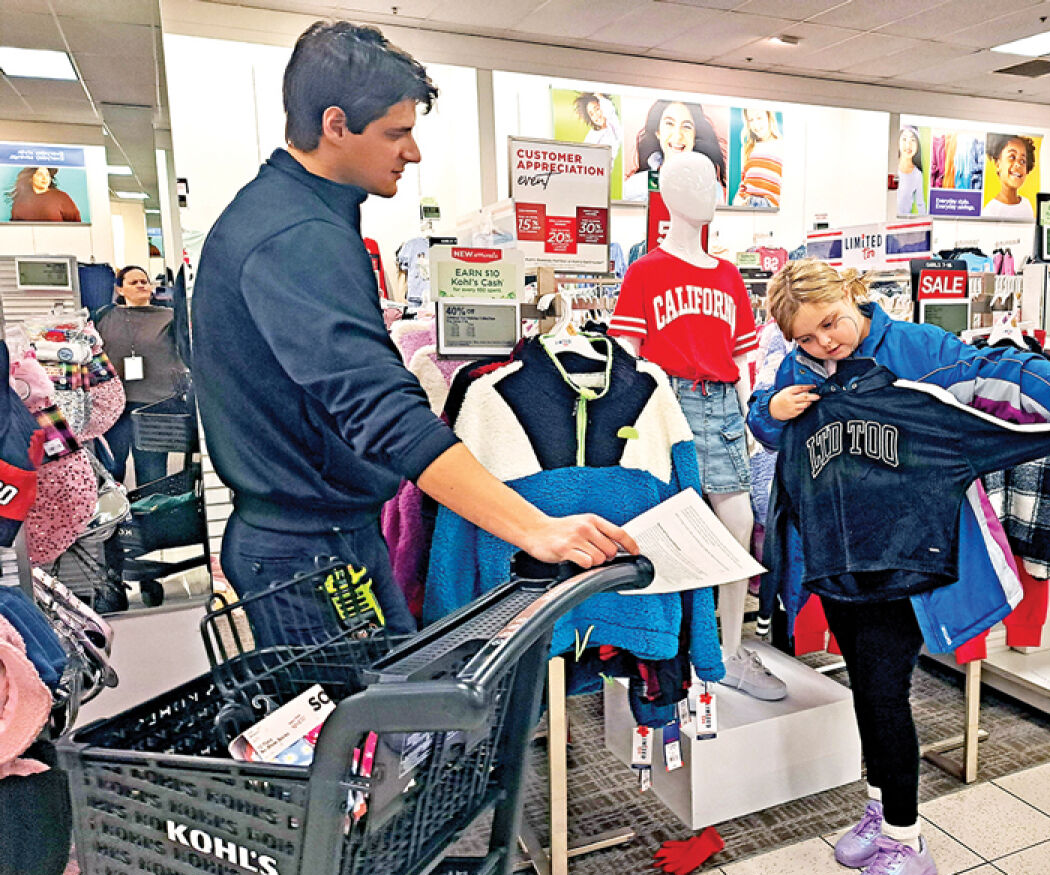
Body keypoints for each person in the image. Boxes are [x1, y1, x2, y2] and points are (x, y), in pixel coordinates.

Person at [747, 258, 1050, 875]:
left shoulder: (921, 352)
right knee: (864, 686)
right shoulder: (799, 370)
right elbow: (768, 427)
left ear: (853, 297)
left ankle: (906, 840)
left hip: (909, 563)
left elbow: (1016, 379)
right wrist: (772, 411)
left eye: (830, 323)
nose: (824, 343)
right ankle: (878, 800)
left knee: (887, 695)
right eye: (806, 337)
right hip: (837, 561)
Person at [190, 21, 635, 645]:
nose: (413, 152)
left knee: (383, 728)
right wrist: (535, 528)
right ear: (336, 124)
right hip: (310, 553)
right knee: (371, 736)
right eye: (397, 133)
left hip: (321, 535)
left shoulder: (292, 218)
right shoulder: (297, 239)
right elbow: (382, 411)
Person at [610, 152, 784, 701]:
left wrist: (751, 421)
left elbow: (744, 360)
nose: (707, 191)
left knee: (737, 524)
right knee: (667, 529)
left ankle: (728, 649)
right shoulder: (644, 271)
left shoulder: (730, 275)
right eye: (694, 181)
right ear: (667, 190)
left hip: (724, 408)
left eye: (712, 181)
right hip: (668, 400)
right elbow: (627, 355)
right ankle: (672, 649)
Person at [94, 264, 186, 487]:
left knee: (152, 472)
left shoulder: (170, 317)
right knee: (110, 468)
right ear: (120, 289)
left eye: (144, 281)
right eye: (133, 282)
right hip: (113, 405)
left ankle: (150, 518)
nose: (141, 285)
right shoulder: (104, 316)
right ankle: (114, 518)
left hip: (155, 405)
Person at [623, 99, 726, 201]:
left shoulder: (711, 189)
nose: (677, 136)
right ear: (658, 132)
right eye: (669, 124)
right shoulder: (635, 186)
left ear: (695, 136)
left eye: (686, 126)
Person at [732, 108, 783, 208]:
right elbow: (743, 182)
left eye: (759, 118)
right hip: (747, 202)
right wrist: (738, 201)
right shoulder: (747, 148)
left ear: (769, 117)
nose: (756, 125)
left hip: (769, 206)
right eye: (751, 120)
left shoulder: (782, 146)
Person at [980, 134, 1036, 221]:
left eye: (1022, 161)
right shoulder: (990, 212)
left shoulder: (1026, 205)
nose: (1018, 164)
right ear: (998, 164)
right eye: (1012, 157)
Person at [5, 167, 81, 222]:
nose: (45, 178)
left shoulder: (61, 197)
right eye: (40, 175)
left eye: (47, 175)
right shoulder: (20, 202)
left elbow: (76, 223)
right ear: (30, 178)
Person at [573, 92, 622, 167]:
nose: (596, 115)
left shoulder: (613, 125)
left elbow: (610, 110)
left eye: (597, 109)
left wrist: (600, 97)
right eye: (591, 114)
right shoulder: (593, 134)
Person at [895, 126, 924, 216]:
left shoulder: (917, 175)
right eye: (904, 139)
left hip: (903, 225)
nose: (908, 145)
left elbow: (920, 204)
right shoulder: (890, 168)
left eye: (912, 140)